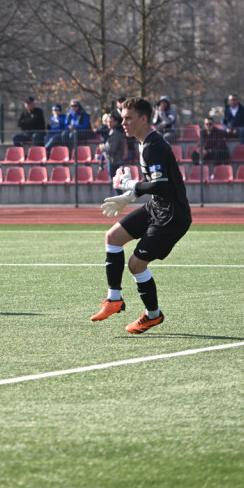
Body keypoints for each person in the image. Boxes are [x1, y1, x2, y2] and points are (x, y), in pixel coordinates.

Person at [93, 97, 191, 334]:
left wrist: (131, 185)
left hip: (171, 216)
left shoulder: (154, 146)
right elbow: (155, 185)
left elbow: (162, 186)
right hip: (158, 207)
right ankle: (114, 299)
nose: (123, 122)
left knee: (136, 264)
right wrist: (129, 196)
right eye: (122, 117)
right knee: (113, 237)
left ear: (144, 119)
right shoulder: (144, 143)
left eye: (128, 118)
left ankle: (153, 315)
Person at [95, 112, 126, 186]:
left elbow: (112, 149)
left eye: (111, 122)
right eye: (108, 122)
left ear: (116, 122)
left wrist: (102, 147)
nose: (108, 124)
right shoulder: (111, 131)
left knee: (116, 184)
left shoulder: (116, 133)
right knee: (114, 184)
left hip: (115, 162)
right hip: (112, 160)